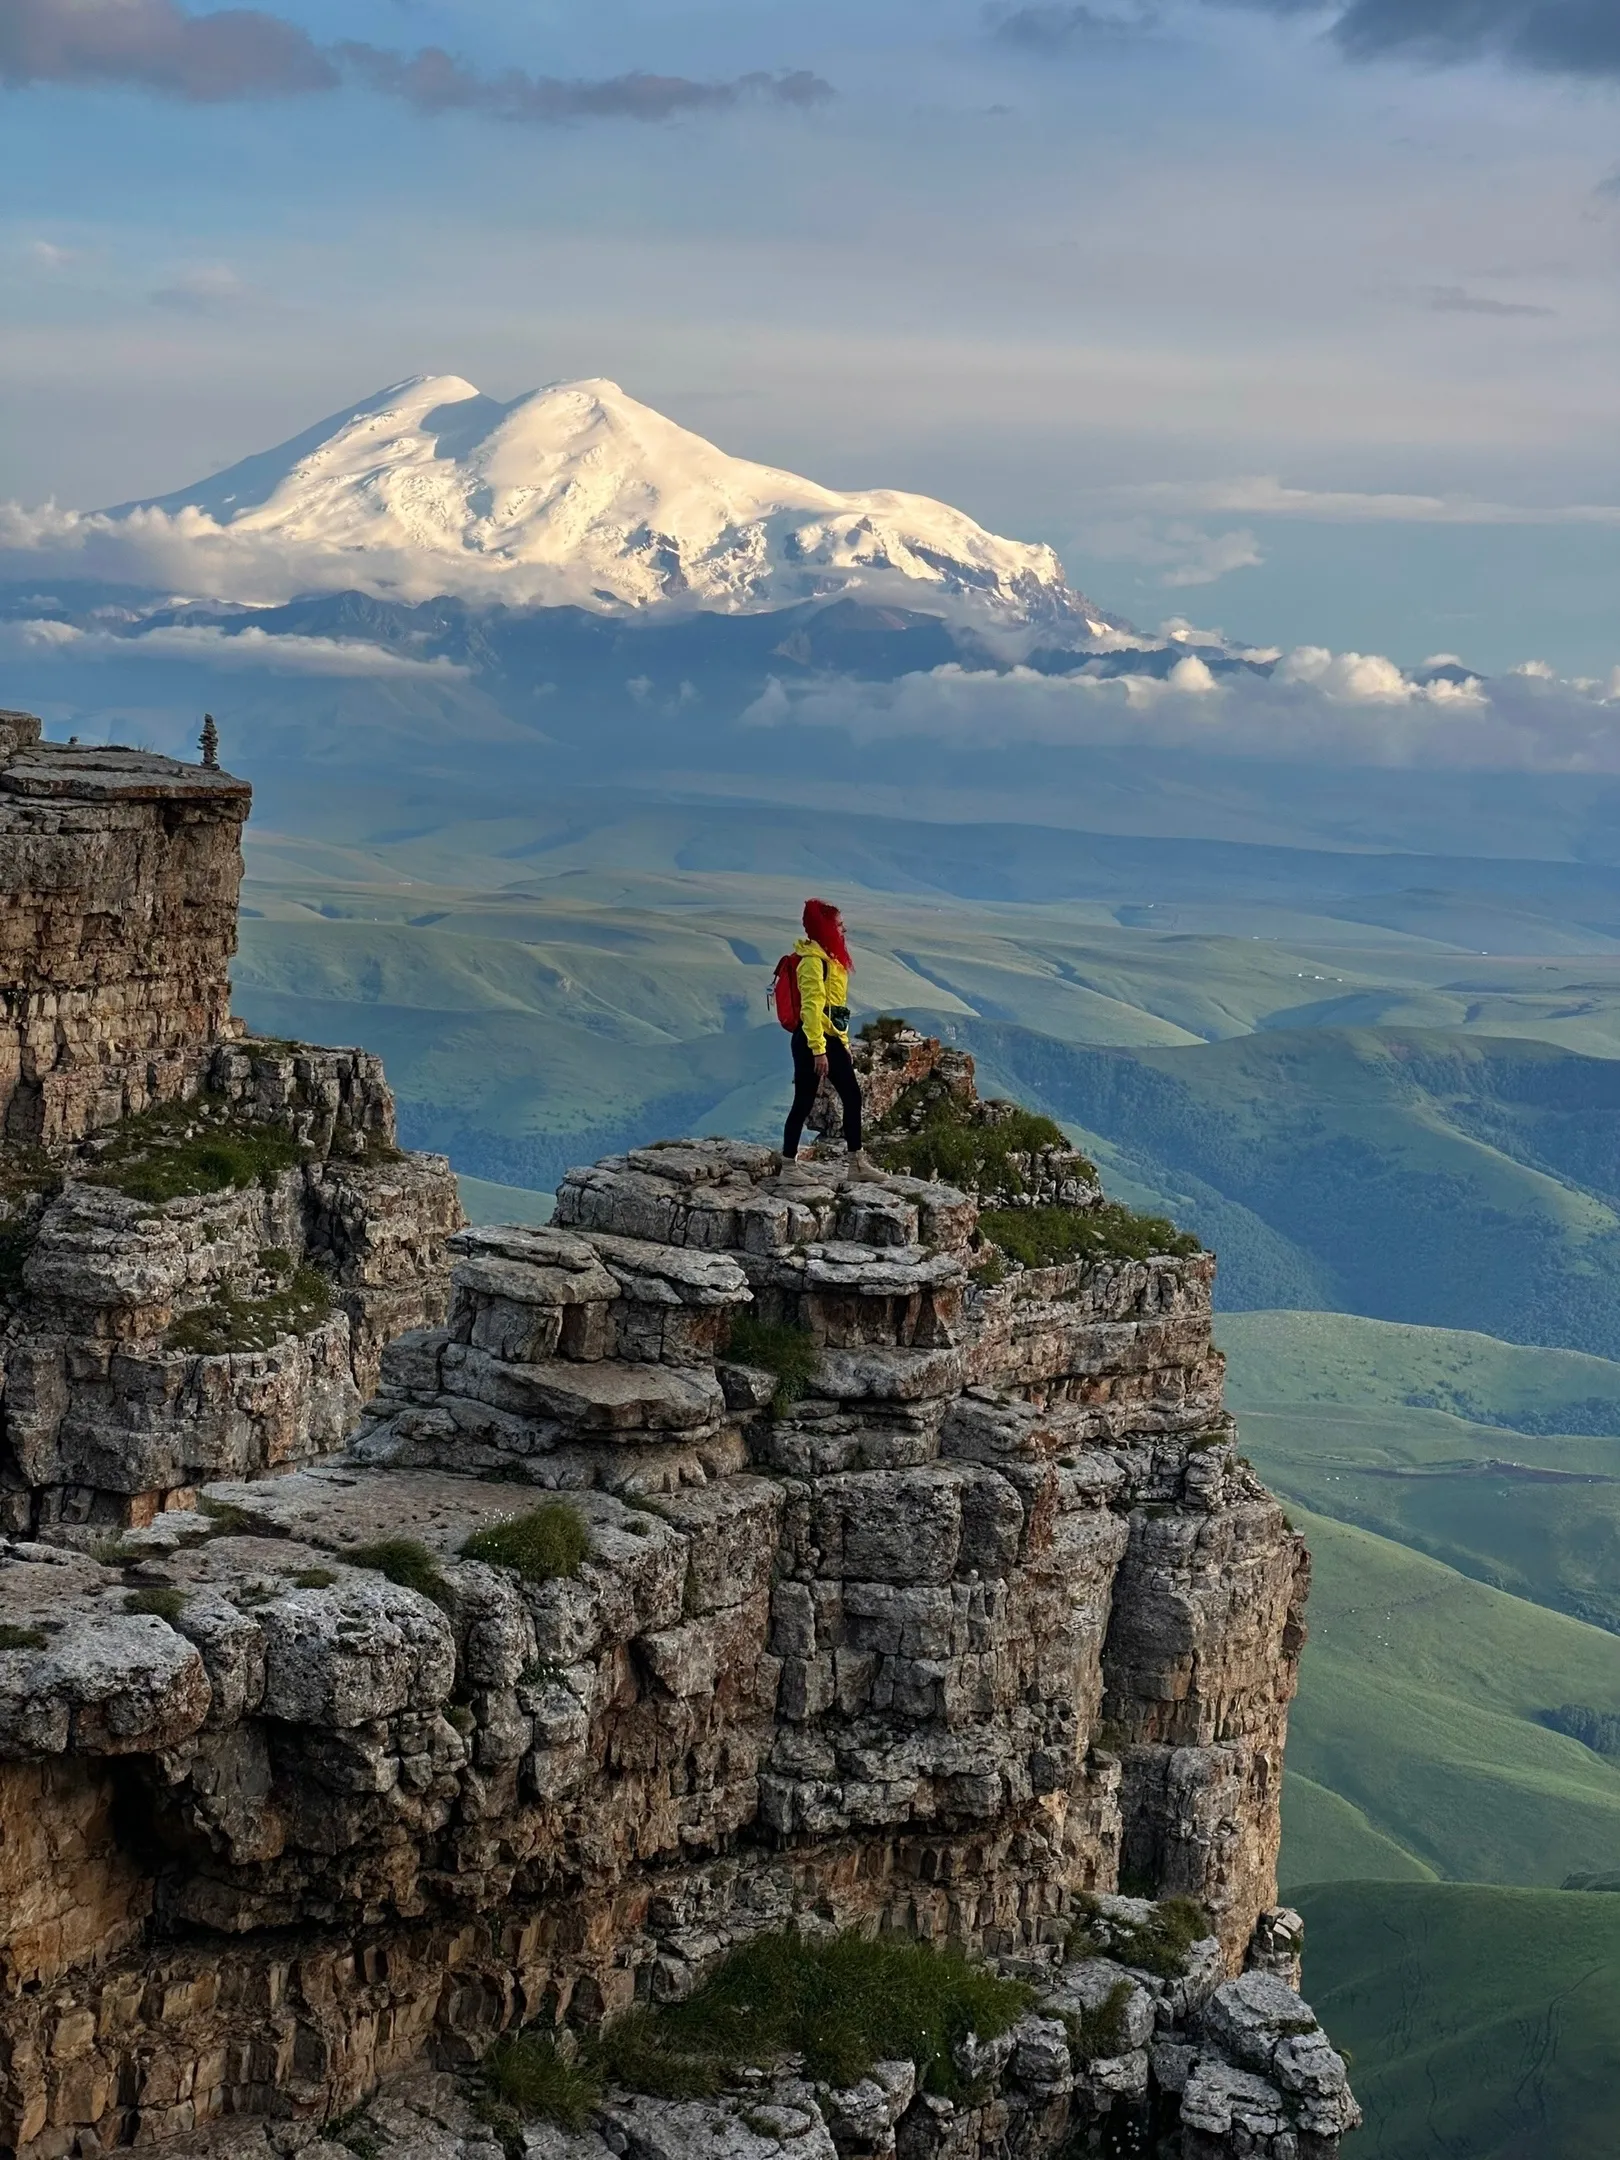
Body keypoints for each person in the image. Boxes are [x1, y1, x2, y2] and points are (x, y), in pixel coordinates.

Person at [782, 897, 866, 1163]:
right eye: (840, 925)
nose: (844, 930)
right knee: (803, 1103)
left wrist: (842, 1043)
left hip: (828, 1039)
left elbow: (835, 1008)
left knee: (852, 1097)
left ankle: (856, 1161)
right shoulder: (812, 962)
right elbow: (811, 1010)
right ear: (826, 928)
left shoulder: (831, 960)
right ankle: (789, 1165)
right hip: (812, 1040)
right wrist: (819, 1050)